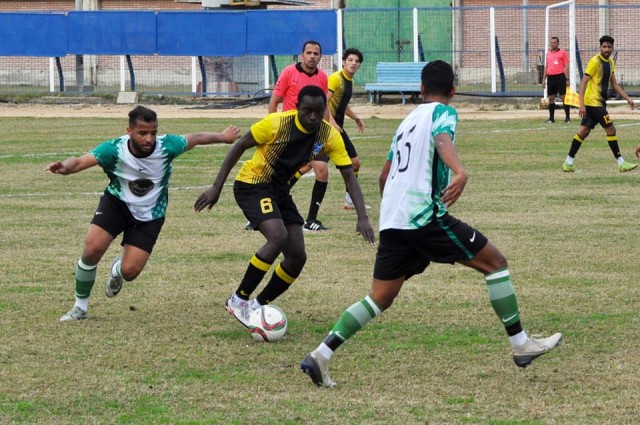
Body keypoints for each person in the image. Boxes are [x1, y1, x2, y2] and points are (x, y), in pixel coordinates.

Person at [300, 61, 562, 388]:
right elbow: (442, 139)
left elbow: (384, 175)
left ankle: (321, 355)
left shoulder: (406, 121)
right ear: (452, 92)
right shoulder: (444, 112)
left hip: (394, 220)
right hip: (422, 215)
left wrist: (393, 212)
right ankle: (521, 345)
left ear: (420, 90)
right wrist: (460, 171)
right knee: (496, 264)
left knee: (379, 297)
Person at [194, 85, 375, 328]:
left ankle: (256, 307)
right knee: (278, 236)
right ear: (297, 107)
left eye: (318, 111)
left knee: (297, 257)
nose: (312, 116)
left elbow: (349, 176)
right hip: (253, 184)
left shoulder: (329, 135)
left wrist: (362, 216)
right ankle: (238, 300)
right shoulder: (275, 124)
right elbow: (239, 145)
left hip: (280, 192)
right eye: (307, 110)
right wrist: (216, 187)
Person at [47, 105, 241, 321]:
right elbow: (81, 161)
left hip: (151, 214)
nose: (149, 138)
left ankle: (117, 270)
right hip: (116, 204)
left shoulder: (167, 146)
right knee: (92, 249)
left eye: (153, 132)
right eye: (143, 133)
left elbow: (194, 138)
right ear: (129, 131)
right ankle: (80, 308)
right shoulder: (114, 150)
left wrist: (223, 137)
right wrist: (65, 167)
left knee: (130, 272)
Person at [267, 40, 334, 232]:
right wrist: (274, 128)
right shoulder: (289, 72)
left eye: (316, 53)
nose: (312, 56)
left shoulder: (322, 77)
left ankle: (311, 220)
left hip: (315, 133)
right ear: (302, 55)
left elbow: (325, 106)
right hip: (291, 133)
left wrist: (326, 130)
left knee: (321, 170)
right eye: (309, 53)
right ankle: (263, 211)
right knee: (280, 175)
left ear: (320, 56)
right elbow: (274, 102)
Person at [562, 35, 637, 173]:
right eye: (604, 47)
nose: (606, 49)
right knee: (611, 129)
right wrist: (582, 104)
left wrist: (628, 98)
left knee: (583, 131)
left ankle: (568, 162)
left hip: (598, 103)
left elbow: (614, 84)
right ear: (600, 47)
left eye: (609, 47)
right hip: (593, 103)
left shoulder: (610, 63)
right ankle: (621, 163)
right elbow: (583, 82)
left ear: (612, 48)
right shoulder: (595, 61)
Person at [326, 48, 366, 210]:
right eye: (350, 60)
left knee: (355, 163)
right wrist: (332, 123)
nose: (353, 63)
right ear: (343, 62)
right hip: (328, 129)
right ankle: (282, 191)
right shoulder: (335, 79)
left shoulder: (350, 81)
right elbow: (323, 102)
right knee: (309, 165)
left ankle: (349, 201)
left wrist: (356, 117)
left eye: (356, 61)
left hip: (338, 128)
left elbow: (342, 104)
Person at [543, 36, 571, 123]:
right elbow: (546, 67)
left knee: (563, 97)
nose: (553, 44)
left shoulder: (563, 53)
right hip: (551, 78)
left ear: (558, 43)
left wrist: (567, 78)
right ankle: (551, 118)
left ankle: (567, 118)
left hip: (560, 77)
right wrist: (544, 79)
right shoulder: (548, 54)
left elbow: (567, 66)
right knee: (551, 98)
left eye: (555, 42)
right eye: (551, 42)